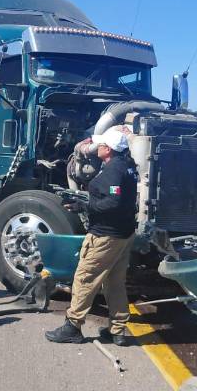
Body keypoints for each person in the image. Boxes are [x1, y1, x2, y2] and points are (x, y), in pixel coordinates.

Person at [45, 127, 138, 346]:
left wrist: (85, 205)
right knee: (114, 282)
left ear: (108, 149)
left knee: (84, 278)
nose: (96, 147)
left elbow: (112, 203)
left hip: (106, 236)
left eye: (100, 144)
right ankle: (118, 330)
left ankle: (73, 326)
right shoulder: (127, 166)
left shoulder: (114, 170)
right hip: (123, 234)